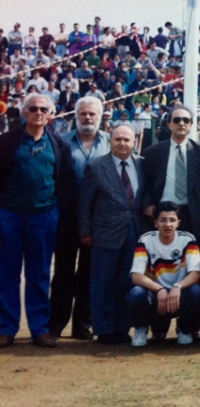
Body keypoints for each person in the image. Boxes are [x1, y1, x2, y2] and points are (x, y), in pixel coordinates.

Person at [0, 93, 76, 348]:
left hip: (44, 216)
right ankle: (6, 328)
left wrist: (57, 212)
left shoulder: (59, 144)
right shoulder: (7, 142)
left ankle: (39, 328)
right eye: (33, 108)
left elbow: (66, 183)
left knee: (39, 273)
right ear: (24, 112)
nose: (38, 112)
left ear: (50, 114)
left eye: (43, 108)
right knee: (7, 273)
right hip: (10, 214)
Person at [50, 97, 110, 340]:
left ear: (101, 116)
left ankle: (82, 325)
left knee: (89, 273)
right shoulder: (61, 142)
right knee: (63, 273)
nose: (87, 117)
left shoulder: (111, 142)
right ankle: (55, 325)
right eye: (83, 114)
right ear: (75, 116)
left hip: (97, 219)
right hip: (66, 218)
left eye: (92, 114)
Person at [78, 124, 144, 345]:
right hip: (104, 233)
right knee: (103, 282)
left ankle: (122, 328)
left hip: (134, 232)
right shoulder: (96, 166)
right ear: (110, 141)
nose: (122, 143)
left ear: (134, 142)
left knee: (127, 281)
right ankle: (105, 330)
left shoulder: (141, 164)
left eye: (127, 140)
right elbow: (85, 203)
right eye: (118, 139)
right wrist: (85, 231)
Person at [142, 105, 200, 265]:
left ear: (191, 125)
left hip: (194, 215)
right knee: (162, 260)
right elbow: (144, 183)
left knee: (195, 262)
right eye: (176, 120)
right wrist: (148, 203)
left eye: (186, 120)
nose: (181, 123)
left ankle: (194, 289)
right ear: (168, 124)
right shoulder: (153, 152)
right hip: (163, 215)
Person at [128, 201, 200, 346]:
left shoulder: (188, 239)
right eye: (163, 220)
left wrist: (177, 286)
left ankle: (184, 329)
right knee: (136, 293)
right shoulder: (145, 240)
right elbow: (136, 276)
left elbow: (195, 274)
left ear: (178, 223)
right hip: (156, 295)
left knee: (196, 291)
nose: (167, 224)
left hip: (178, 294)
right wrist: (159, 289)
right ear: (155, 222)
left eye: (172, 220)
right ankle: (141, 329)